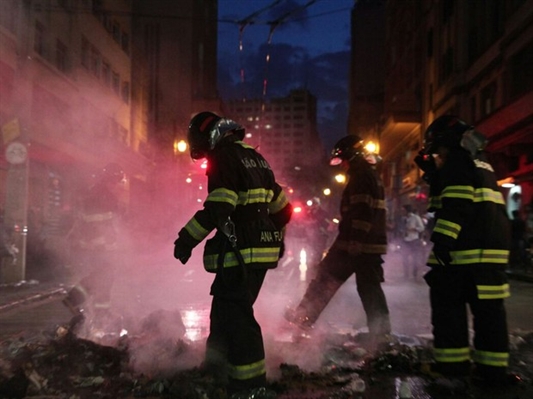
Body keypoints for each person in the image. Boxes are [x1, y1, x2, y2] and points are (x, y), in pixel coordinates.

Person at [173, 112, 292, 396]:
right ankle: (215, 369)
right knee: (224, 312)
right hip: (255, 251)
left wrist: (187, 238)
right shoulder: (257, 159)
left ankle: (250, 385)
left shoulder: (224, 158)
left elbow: (219, 206)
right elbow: (283, 208)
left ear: (210, 135)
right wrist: (274, 236)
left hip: (242, 253)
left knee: (238, 319)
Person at [414, 115, 517, 387]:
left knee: (448, 305)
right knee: (490, 314)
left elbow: (456, 202)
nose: (436, 156)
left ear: (446, 143)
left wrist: (444, 241)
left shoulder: (457, 160)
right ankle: (491, 371)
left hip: (466, 250)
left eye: (437, 151)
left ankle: (452, 366)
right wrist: (434, 173)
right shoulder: (480, 162)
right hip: (490, 252)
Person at [285, 135, 391, 343]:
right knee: (369, 287)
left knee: (326, 276)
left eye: (343, 160)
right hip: (367, 245)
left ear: (351, 155)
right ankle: (381, 332)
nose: (342, 165)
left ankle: (303, 316)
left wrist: (355, 241)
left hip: (355, 243)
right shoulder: (368, 174)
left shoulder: (361, 176)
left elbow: (361, 211)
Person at [62, 163, 125, 327]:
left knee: (105, 278)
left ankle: (101, 313)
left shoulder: (95, 192)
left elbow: (89, 221)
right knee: (103, 276)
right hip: (100, 246)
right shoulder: (105, 195)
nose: (117, 185)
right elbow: (104, 222)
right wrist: (109, 241)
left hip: (95, 245)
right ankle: (74, 298)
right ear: (111, 179)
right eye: (116, 181)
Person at [400, 204, 426, 280]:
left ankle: (414, 274)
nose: (402, 211)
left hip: (414, 240)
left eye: (403, 210)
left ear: (407, 210)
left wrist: (414, 229)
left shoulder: (415, 218)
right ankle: (406, 274)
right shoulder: (403, 218)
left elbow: (421, 228)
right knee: (404, 258)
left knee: (415, 257)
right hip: (405, 240)